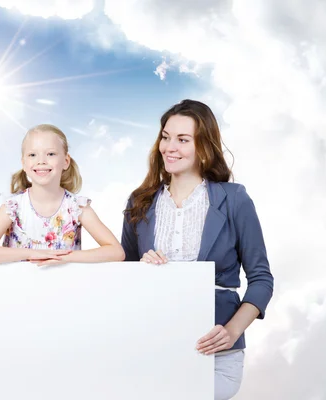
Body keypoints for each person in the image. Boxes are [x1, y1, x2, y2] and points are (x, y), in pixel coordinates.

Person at [121, 100, 273, 399]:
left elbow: (261, 279)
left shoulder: (234, 199)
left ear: (204, 146)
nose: (169, 147)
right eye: (165, 137)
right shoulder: (139, 202)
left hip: (215, 356)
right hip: (152, 347)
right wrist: (141, 269)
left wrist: (232, 331)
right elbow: (123, 276)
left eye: (183, 139)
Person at [0, 124, 124, 265]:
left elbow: (116, 252)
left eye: (50, 154)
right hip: (19, 290)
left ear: (65, 161)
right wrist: (32, 254)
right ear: (23, 163)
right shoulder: (13, 207)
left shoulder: (77, 207)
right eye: (32, 155)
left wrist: (64, 257)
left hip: (64, 291)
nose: (41, 161)